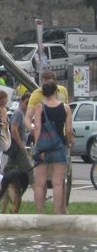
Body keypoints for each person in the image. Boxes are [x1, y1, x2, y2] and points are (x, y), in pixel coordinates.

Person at [27, 80, 74, 215]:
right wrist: (70, 142)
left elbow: (37, 129)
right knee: (58, 183)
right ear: (56, 91)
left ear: (43, 93)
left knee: (40, 182)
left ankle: (40, 213)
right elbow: (69, 130)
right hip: (59, 147)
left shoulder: (39, 108)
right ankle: (57, 214)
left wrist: (38, 148)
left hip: (43, 149)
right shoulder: (65, 108)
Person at [6, 92, 33, 183]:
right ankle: (36, 188)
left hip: (19, 145)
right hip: (17, 146)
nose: (28, 105)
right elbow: (14, 130)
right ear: (21, 102)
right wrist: (21, 145)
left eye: (30, 103)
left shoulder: (24, 114)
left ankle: (2, 187)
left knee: (10, 167)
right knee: (29, 169)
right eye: (26, 103)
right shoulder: (18, 113)